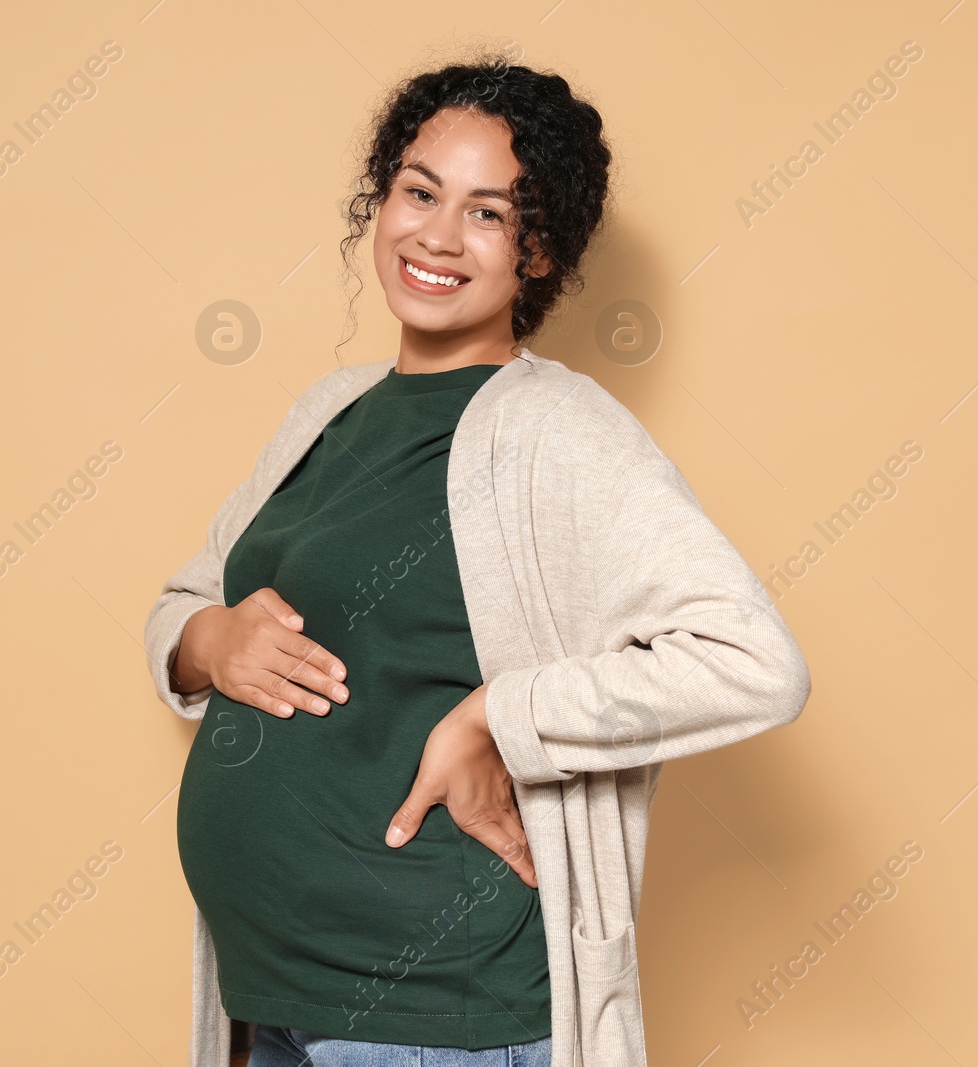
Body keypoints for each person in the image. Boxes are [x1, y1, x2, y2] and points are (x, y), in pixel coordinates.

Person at [144, 53, 811, 1067]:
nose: (438, 236)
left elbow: (753, 660)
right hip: (274, 994)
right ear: (383, 197)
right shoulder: (329, 411)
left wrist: (498, 717)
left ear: (537, 251)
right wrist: (206, 638)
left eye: (488, 213)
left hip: (430, 1014)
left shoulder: (557, 430)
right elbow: (189, 594)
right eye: (419, 192)